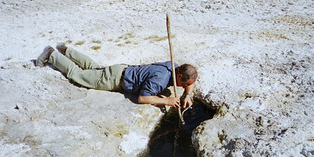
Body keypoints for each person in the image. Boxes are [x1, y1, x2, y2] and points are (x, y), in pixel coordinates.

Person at [35, 44, 197, 109]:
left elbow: (190, 82)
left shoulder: (174, 65)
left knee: (94, 67)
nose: (183, 86)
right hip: (114, 79)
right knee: (78, 75)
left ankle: (67, 51)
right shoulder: (160, 80)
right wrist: (166, 101)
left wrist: (187, 94)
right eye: (183, 84)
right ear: (179, 75)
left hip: (121, 69)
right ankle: (52, 55)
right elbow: (143, 98)